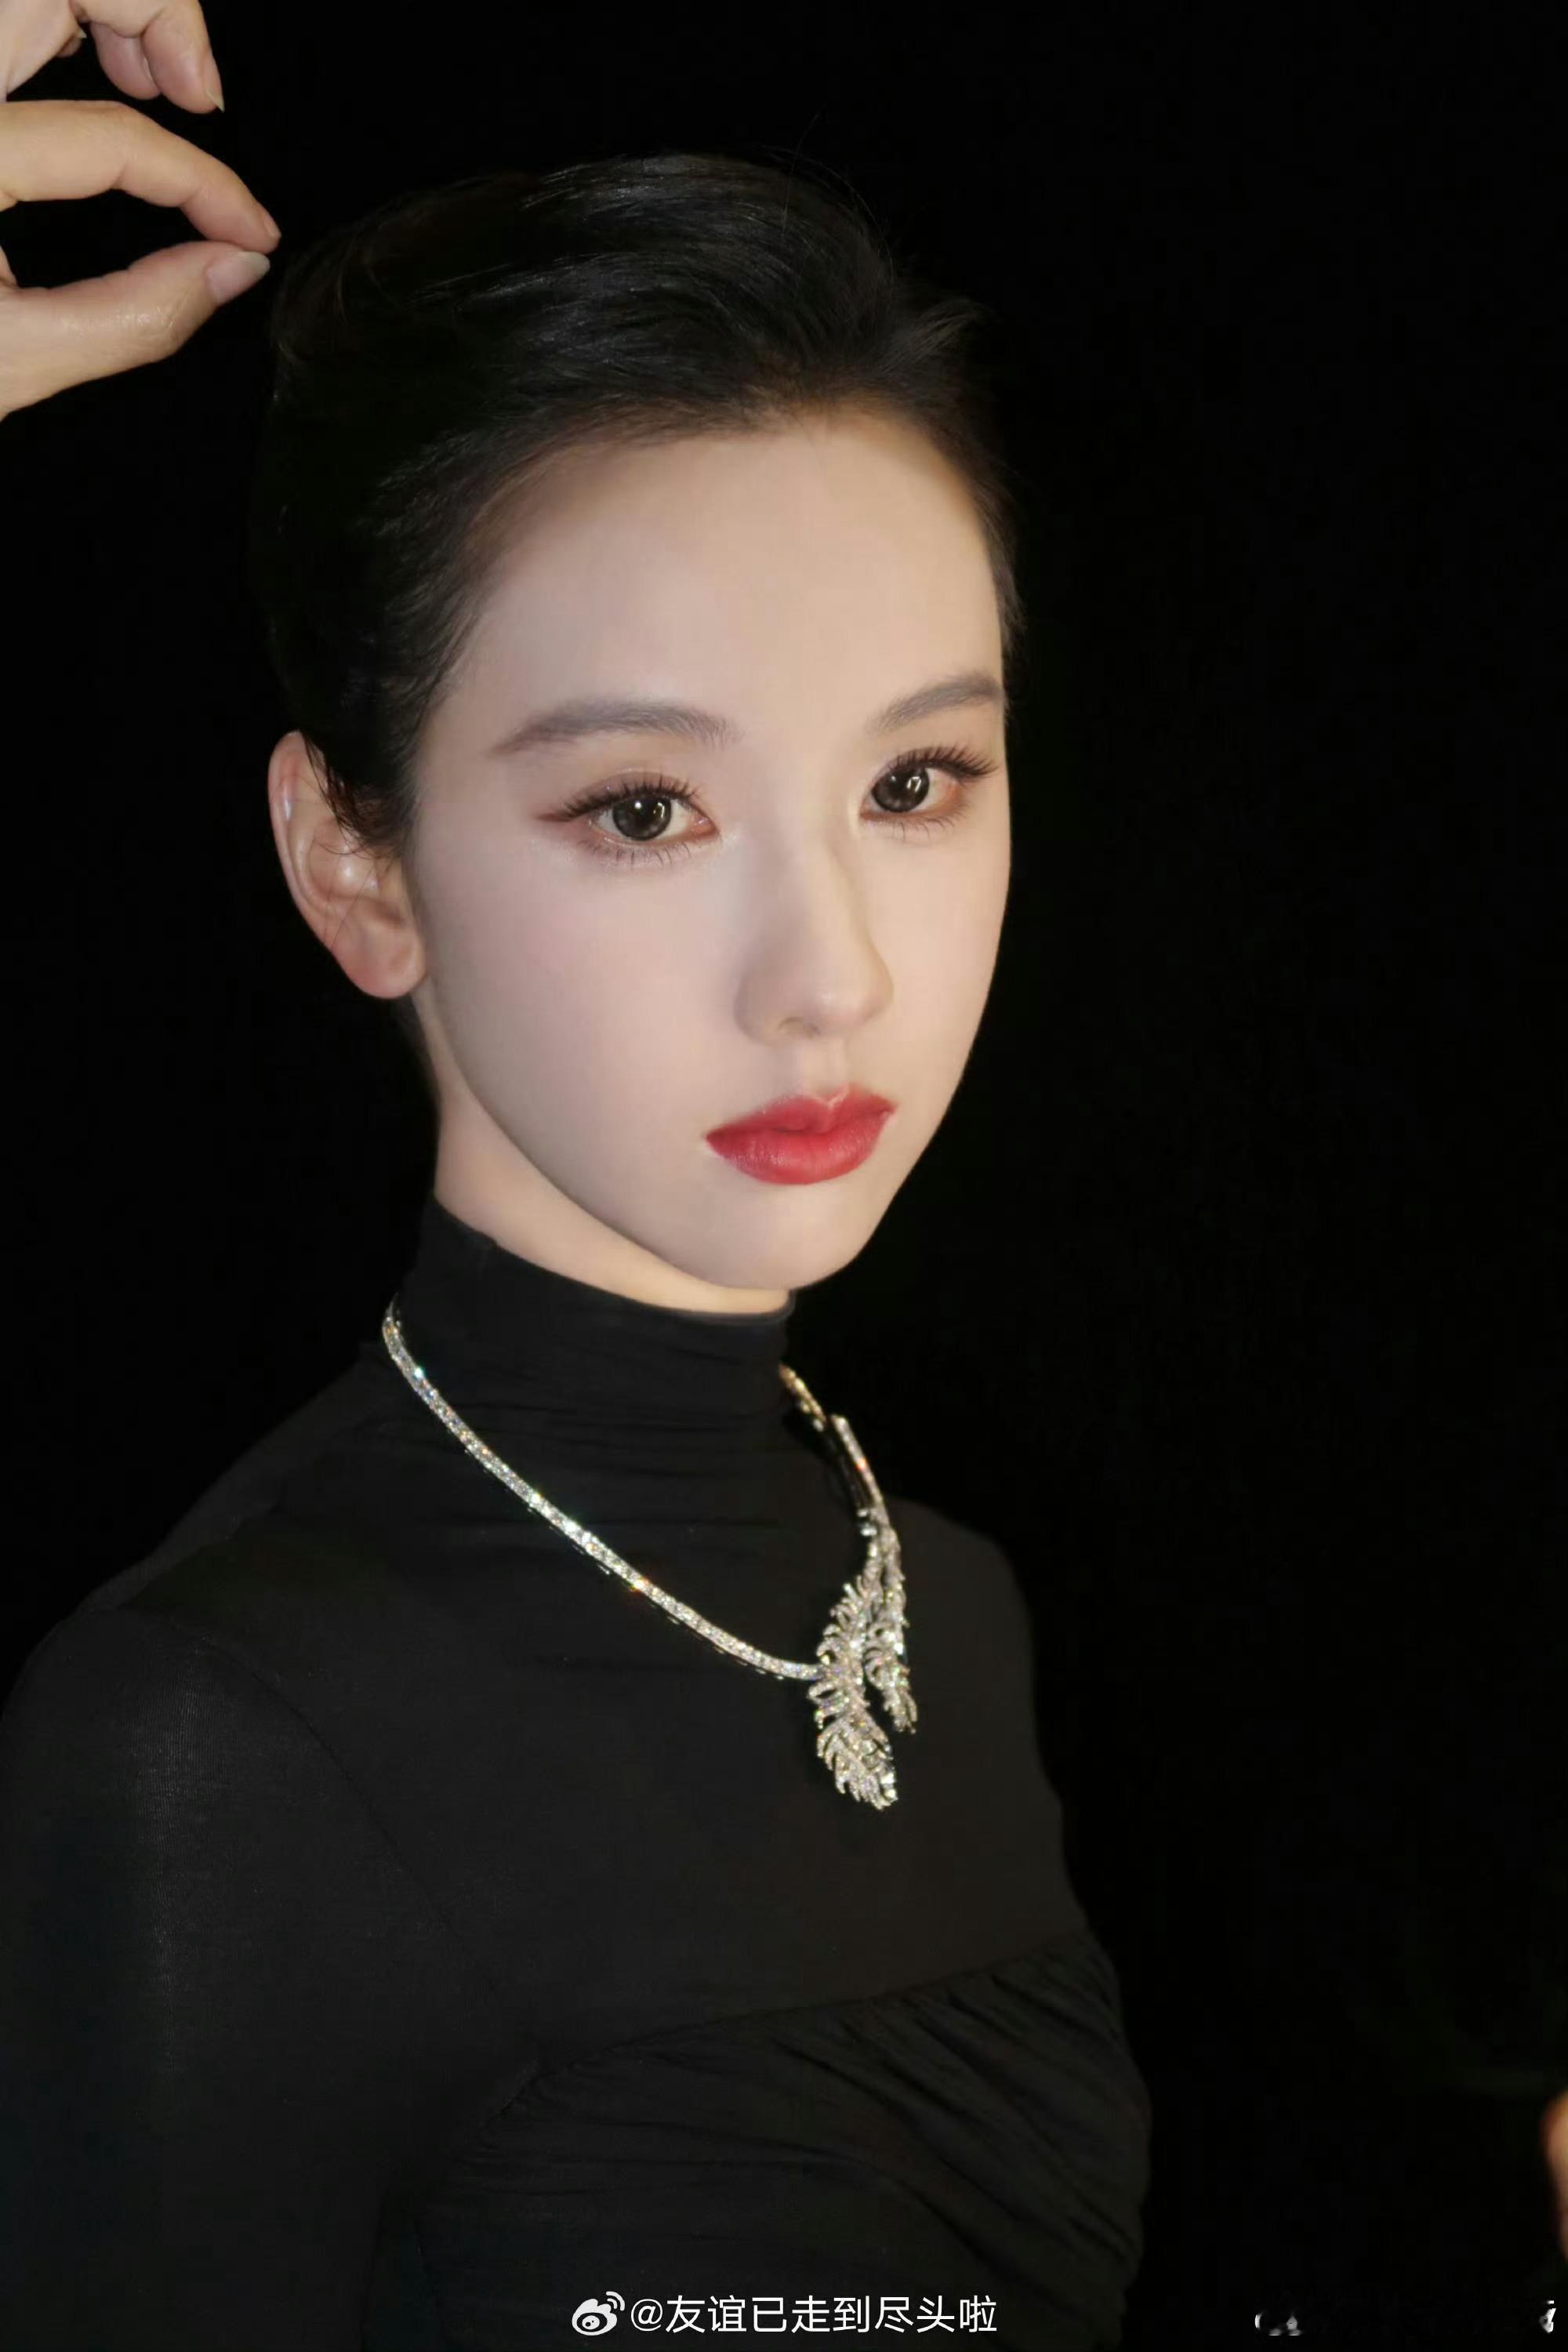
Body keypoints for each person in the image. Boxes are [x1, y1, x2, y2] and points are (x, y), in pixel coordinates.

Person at [0, 13, 1544, 2352]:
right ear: (353, 861)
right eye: (645, 809)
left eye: (916, 786)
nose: (833, 977)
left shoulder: (950, 1609)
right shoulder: (213, 1744)